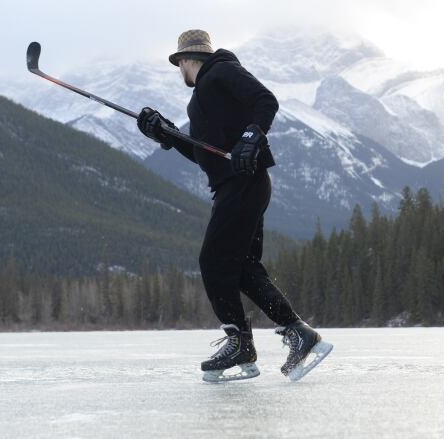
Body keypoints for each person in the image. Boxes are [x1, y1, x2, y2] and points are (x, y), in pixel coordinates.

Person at [136, 30, 332, 382]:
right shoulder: (203, 98)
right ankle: (301, 334)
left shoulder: (220, 70)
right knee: (243, 269)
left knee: (213, 261)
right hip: (241, 185)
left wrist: (251, 137)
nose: (179, 70)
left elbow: (265, 100)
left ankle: (239, 341)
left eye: (178, 64)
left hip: (242, 183)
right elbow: (202, 152)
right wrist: (165, 134)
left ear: (184, 60)